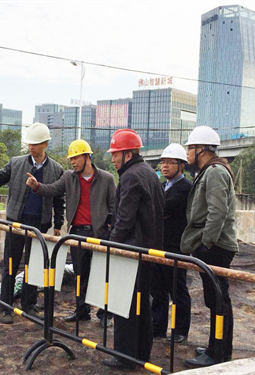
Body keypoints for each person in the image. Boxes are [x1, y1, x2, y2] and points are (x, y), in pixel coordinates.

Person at [0, 122, 65, 324]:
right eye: (29, 144)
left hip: (39, 224)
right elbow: (1, 175)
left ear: (45, 144)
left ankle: (29, 304)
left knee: (33, 266)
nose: (31, 147)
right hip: (16, 222)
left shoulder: (56, 169)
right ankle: (6, 307)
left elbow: (59, 199)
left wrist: (58, 224)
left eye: (35, 144)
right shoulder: (17, 163)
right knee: (10, 264)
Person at [25, 139, 116, 327]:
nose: (73, 162)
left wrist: (109, 230)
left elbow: (114, 207)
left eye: (76, 158)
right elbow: (52, 189)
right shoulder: (69, 177)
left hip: (99, 234)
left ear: (87, 157)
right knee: (80, 274)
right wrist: (36, 186)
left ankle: (104, 313)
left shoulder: (106, 179)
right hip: (77, 233)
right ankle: (82, 311)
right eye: (71, 159)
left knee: (101, 274)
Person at [101, 129, 165, 370]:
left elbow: (124, 220)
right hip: (148, 252)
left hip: (130, 252)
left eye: (116, 154)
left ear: (128, 153)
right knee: (142, 305)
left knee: (125, 305)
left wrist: (110, 245)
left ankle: (125, 355)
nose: (113, 159)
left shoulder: (130, 176)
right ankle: (141, 354)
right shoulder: (149, 173)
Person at [180, 126, 238, 368]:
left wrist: (205, 243)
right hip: (214, 245)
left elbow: (218, 211)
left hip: (216, 246)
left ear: (201, 149)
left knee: (218, 300)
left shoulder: (214, 172)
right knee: (216, 300)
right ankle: (217, 347)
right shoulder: (208, 171)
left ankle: (218, 353)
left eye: (190, 148)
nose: (187, 153)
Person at [151, 143, 192, 343]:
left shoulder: (185, 188)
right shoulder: (161, 186)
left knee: (178, 289)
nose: (165, 166)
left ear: (181, 165)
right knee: (157, 288)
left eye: (170, 162)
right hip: (159, 244)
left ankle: (180, 330)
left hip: (176, 246)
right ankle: (157, 327)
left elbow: (165, 208)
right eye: (163, 162)